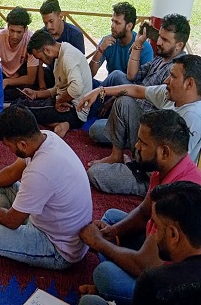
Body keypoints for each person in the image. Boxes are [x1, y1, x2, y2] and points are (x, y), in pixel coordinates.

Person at [78, 110, 201, 304]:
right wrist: (114, 232)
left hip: (169, 278)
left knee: (104, 274)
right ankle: (114, 270)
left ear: (164, 151)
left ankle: (111, 289)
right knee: (111, 218)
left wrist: (99, 243)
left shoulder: (177, 196)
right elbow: (144, 212)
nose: (136, 147)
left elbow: (145, 266)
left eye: (143, 143)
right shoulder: (165, 168)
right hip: (157, 250)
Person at [0, 105, 92, 270]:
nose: (9, 150)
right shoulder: (46, 137)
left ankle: (1, 246)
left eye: (8, 146)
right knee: (1, 186)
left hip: (60, 249)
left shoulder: (40, 171)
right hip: (48, 219)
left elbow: (12, 221)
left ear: (22, 144)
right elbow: (13, 172)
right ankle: (10, 243)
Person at [80, 55, 201, 196]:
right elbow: (138, 90)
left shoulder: (193, 117)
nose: (167, 80)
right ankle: (117, 155)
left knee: (95, 174)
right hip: (148, 146)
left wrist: (137, 164)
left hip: (153, 173)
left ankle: (137, 172)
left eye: (173, 76)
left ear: (189, 84)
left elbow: (169, 165)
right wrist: (100, 91)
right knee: (107, 118)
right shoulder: (171, 94)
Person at [86, 14, 191, 164]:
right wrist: (138, 43)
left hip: (146, 127)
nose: (159, 42)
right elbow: (132, 75)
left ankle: (121, 152)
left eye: (165, 40)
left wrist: (117, 99)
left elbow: (141, 93)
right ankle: (96, 112)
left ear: (179, 45)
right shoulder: (161, 58)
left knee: (122, 103)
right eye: (159, 37)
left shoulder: (177, 71)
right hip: (134, 110)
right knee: (96, 127)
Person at [78, 181, 201, 305]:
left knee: (89, 301)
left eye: (156, 226)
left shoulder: (155, 283)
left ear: (173, 234)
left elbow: (143, 266)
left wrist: (99, 243)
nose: (154, 234)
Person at [18, 30, 92, 137]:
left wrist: (60, 100)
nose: (41, 62)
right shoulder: (60, 54)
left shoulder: (68, 57)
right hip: (68, 106)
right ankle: (65, 124)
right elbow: (58, 88)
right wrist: (36, 94)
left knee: (23, 108)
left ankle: (1, 108)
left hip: (74, 110)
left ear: (47, 50)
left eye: (40, 58)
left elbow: (76, 88)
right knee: (34, 108)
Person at [88, 2, 153, 84]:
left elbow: (145, 83)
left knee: (117, 75)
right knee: (83, 81)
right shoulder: (107, 42)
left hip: (129, 93)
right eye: (112, 21)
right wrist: (100, 50)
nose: (112, 26)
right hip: (108, 90)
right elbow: (89, 74)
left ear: (129, 26)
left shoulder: (145, 47)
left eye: (117, 23)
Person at [0, 6, 38, 102]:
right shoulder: (0, 37)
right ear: (8, 27)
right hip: (3, 73)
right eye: (12, 31)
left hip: (21, 77)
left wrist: (7, 82)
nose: (14, 36)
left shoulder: (31, 40)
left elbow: (31, 78)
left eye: (19, 32)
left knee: (27, 90)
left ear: (25, 30)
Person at [38, 0, 85, 89]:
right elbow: (39, 63)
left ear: (60, 16)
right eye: (45, 23)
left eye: (51, 21)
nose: (48, 26)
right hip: (52, 75)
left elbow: (80, 64)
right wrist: (42, 87)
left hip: (70, 79)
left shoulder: (75, 34)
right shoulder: (44, 34)